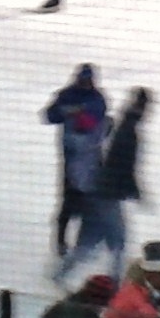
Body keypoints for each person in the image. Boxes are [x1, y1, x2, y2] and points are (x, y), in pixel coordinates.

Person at [66, 86, 146, 284]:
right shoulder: (129, 131)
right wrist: (135, 190)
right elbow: (124, 165)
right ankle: (116, 285)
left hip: (101, 192)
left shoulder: (125, 126)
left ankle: (59, 275)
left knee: (90, 241)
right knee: (118, 241)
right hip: (109, 195)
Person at [42, 65, 107, 263]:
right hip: (71, 158)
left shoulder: (97, 98)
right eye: (83, 80)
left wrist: (79, 113)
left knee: (92, 202)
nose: (85, 83)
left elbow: (96, 120)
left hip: (92, 158)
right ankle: (61, 242)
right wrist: (67, 111)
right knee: (68, 202)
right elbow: (49, 116)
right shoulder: (67, 95)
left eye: (88, 80)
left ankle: (86, 242)